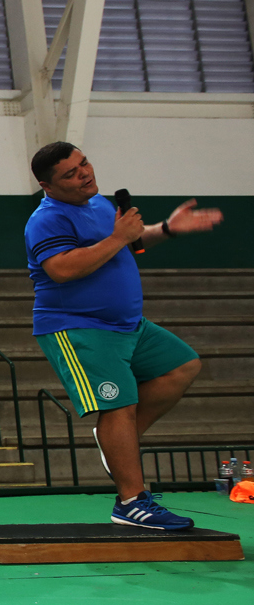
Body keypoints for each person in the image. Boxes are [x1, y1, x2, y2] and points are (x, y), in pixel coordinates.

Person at [26, 142, 222, 530]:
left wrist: (166, 229)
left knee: (182, 366)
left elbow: (133, 240)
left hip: (129, 325)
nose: (84, 173)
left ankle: (116, 442)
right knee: (118, 405)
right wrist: (119, 237)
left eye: (84, 163)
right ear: (47, 185)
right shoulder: (46, 219)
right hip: (79, 328)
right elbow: (61, 269)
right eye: (70, 173)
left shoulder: (99, 204)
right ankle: (131, 502)